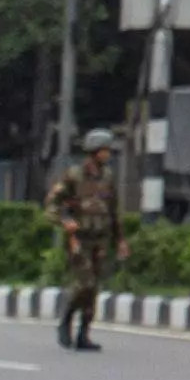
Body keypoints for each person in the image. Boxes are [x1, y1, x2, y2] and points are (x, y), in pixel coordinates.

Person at [49, 134, 122, 351]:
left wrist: (120, 239)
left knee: (93, 291)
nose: (108, 153)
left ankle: (83, 335)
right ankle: (66, 319)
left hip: (100, 240)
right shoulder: (74, 175)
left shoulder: (108, 176)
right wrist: (65, 220)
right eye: (104, 149)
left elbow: (114, 211)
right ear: (94, 151)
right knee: (85, 283)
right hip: (78, 239)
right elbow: (53, 203)